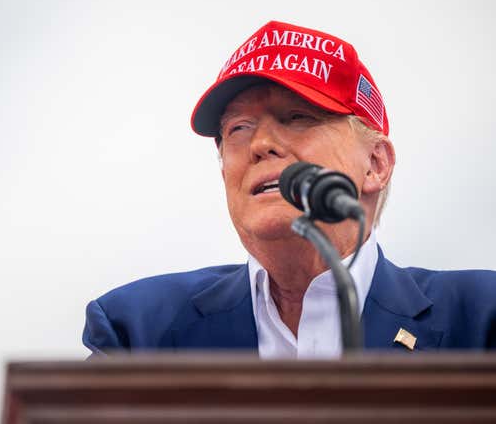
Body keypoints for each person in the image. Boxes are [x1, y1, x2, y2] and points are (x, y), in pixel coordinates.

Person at [82, 21, 496, 357]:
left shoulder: (481, 321)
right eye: (238, 128)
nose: (260, 145)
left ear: (375, 164)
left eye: (297, 117)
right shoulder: (137, 332)